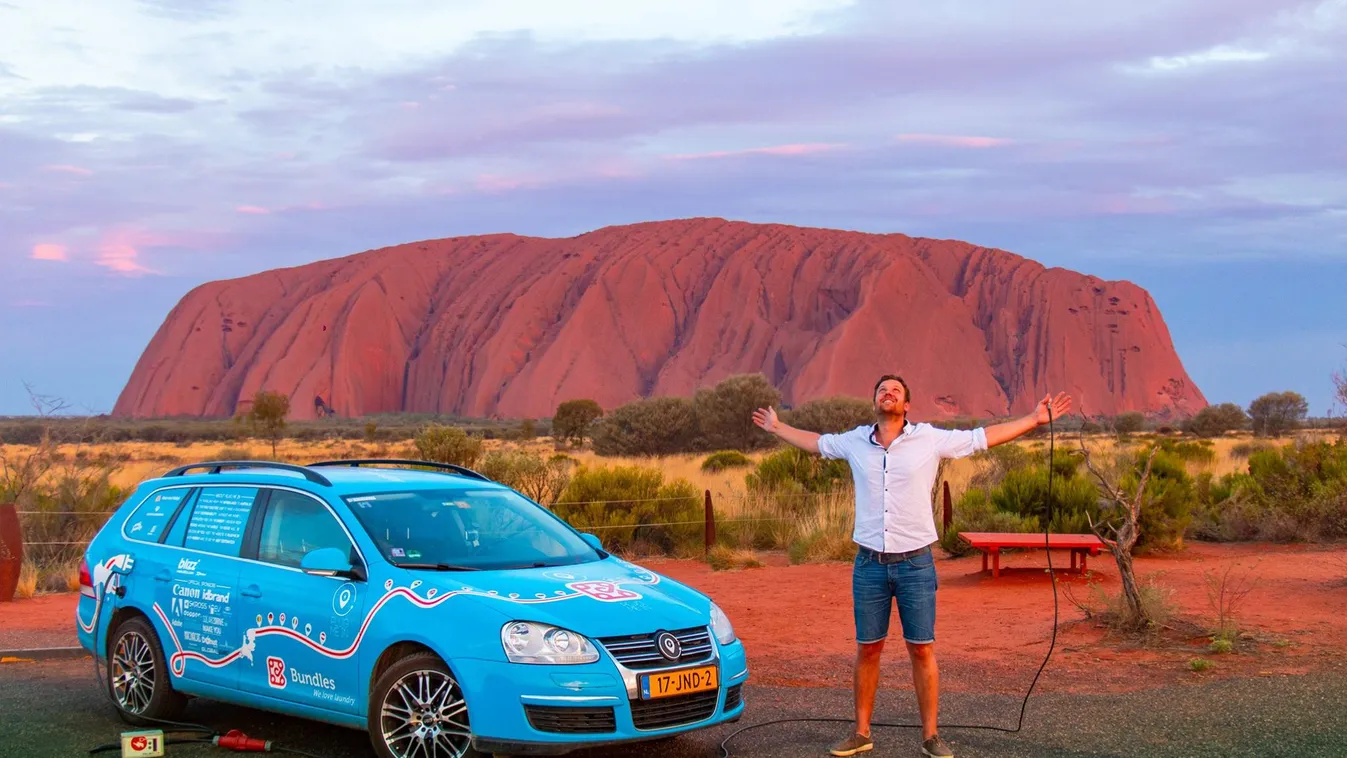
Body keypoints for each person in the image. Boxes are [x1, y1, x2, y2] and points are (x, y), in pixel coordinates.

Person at [752, 375, 1071, 758]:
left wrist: (1033, 420)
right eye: (882, 390)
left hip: (916, 564)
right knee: (868, 648)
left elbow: (982, 437)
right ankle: (861, 732)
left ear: (907, 406)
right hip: (869, 563)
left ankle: (931, 736)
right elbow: (816, 444)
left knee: (921, 649)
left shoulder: (930, 439)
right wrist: (777, 427)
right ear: (874, 401)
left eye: (896, 391)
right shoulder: (855, 441)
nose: (888, 394)